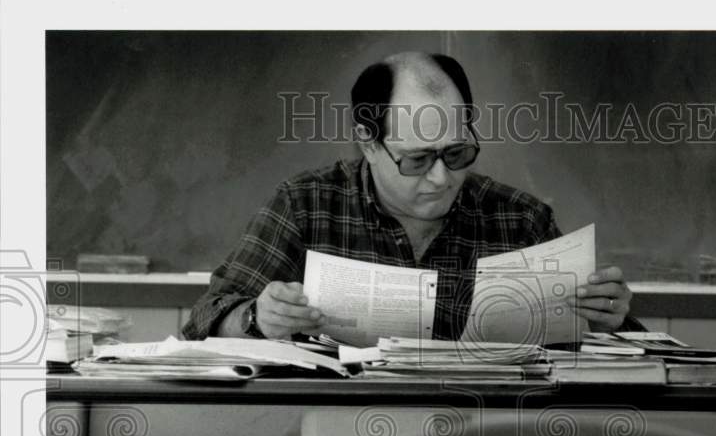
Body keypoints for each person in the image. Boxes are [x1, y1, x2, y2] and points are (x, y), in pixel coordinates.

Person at [181, 51, 640, 342]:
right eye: (417, 160)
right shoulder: (308, 205)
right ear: (368, 143)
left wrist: (609, 319)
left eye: (457, 152)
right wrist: (258, 317)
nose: (441, 178)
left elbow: (614, 346)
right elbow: (204, 318)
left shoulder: (521, 219)